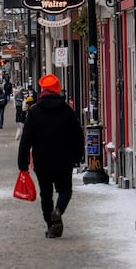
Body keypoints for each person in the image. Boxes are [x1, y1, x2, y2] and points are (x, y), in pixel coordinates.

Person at [17, 74, 83, 239]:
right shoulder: (67, 110)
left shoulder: (34, 112)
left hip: (42, 161)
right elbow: (78, 135)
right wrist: (77, 156)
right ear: (57, 90)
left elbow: (25, 140)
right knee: (65, 190)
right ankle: (59, 210)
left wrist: (22, 164)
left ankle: (51, 226)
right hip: (64, 160)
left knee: (46, 195)